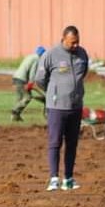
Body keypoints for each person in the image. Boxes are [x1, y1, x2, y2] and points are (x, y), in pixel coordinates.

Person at [35, 25, 89, 191]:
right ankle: (53, 178)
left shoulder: (82, 54)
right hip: (57, 107)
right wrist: (54, 94)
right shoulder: (50, 55)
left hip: (76, 107)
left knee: (72, 144)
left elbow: (83, 73)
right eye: (72, 42)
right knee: (55, 142)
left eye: (77, 42)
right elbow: (40, 79)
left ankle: (68, 179)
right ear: (63, 39)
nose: (75, 46)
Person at [11, 46, 46, 121]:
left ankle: (15, 117)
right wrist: (30, 83)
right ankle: (15, 111)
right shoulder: (36, 59)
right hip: (22, 79)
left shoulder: (30, 56)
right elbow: (32, 72)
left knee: (19, 98)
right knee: (28, 97)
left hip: (16, 77)